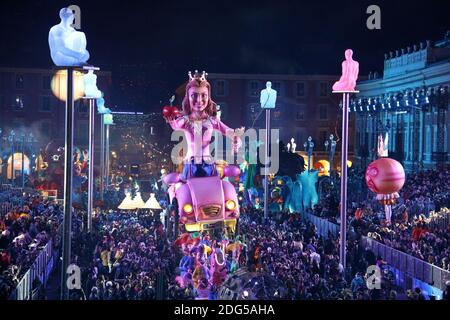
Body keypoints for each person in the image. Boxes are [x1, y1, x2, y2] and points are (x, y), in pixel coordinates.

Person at [164, 70, 243, 179]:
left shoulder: (212, 121)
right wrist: (172, 122)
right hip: (191, 167)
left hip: (209, 167)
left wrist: (236, 140)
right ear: (188, 97)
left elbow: (229, 132)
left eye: (203, 95)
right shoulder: (186, 120)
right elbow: (176, 126)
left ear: (208, 97)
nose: (199, 100)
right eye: (194, 96)